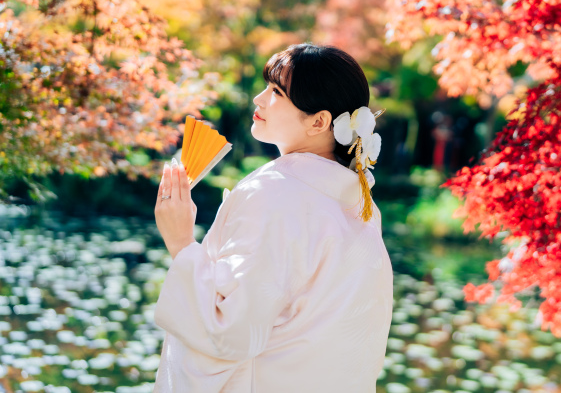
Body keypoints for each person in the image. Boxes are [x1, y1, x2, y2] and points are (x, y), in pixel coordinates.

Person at [152, 43, 394, 392]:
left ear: (319, 121)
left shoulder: (274, 191)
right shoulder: (359, 205)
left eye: (277, 92)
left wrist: (181, 244)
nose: (259, 99)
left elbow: (229, 332)